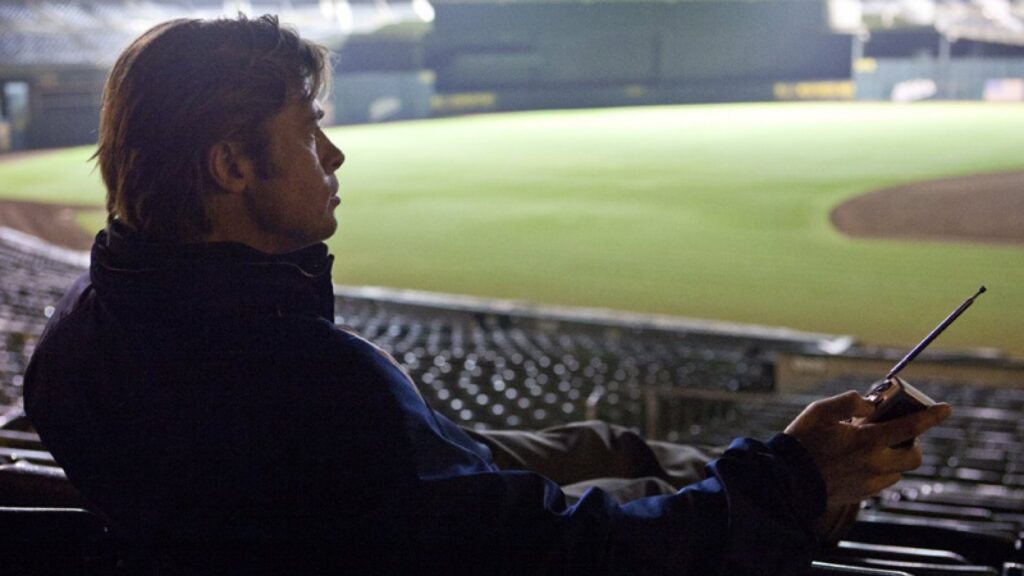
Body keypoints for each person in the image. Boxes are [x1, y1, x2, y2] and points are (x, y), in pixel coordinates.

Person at [23, 15, 951, 575]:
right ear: (231, 165)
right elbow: (561, 560)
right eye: (308, 133)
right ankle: (810, 494)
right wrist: (789, 479)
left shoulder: (71, 344)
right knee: (657, 479)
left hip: (322, 519)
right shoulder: (315, 384)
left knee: (607, 444)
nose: (335, 156)